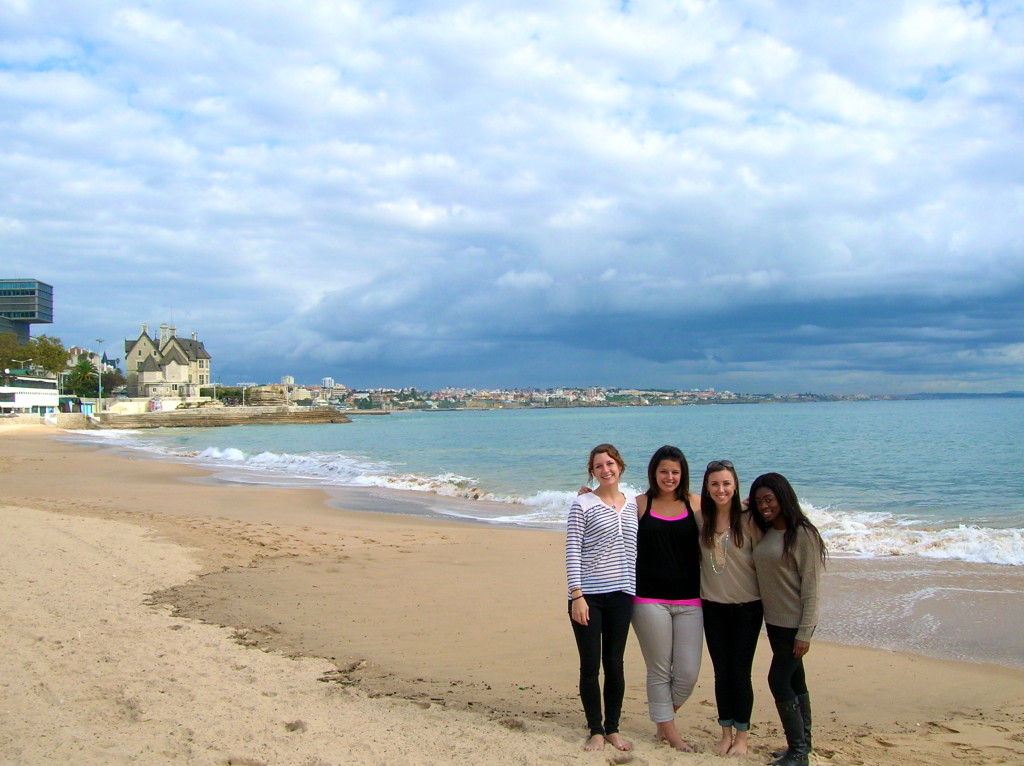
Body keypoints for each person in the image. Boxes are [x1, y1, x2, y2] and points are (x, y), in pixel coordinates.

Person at [750, 473, 827, 766]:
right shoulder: (769, 530)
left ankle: (797, 751)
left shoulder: (803, 533)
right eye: (759, 501)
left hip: (796, 623)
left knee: (778, 680)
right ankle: (802, 745)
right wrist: (749, 506)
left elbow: (812, 588)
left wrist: (805, 632)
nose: (764, 506)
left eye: (769, 500)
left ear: (784, 497)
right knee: (796, 679)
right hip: (776, 622)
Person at [566, 443, 638, 752]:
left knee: (615, 664)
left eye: (610, 463)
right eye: (599, 466)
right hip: (589, 597)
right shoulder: (582, 504)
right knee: (590, 665)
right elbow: (572, 550)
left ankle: (613, 729)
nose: (605, 469)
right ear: (592, 472)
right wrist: (577, 595)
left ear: (620, 466)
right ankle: (595, 729)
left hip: (623, 595)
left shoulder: (634, 504)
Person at [630, 445, 703, 752]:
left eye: (675, 472)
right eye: (664, 472)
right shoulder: (639, 504)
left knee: (687, 673)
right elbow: (608, 516)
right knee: (659, 670)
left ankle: (662, 721)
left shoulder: (696, 503)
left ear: (682, 473)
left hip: (691, 600)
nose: (669, 477)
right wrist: (588, 494)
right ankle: (670, 733)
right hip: (648, 599)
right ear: (653, 473)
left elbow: (726, 521)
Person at [698, 459, 764, 756]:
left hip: (747, 608)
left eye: (726, 483)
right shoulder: (700, 519)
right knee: (721, 673)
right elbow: (660, 508)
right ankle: (725, 733)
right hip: (712, 607)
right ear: (707, 487)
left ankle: (742, 737)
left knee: (740, 673)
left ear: (735, 485)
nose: (720, 489)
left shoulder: (751, 518)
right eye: (714, 484)